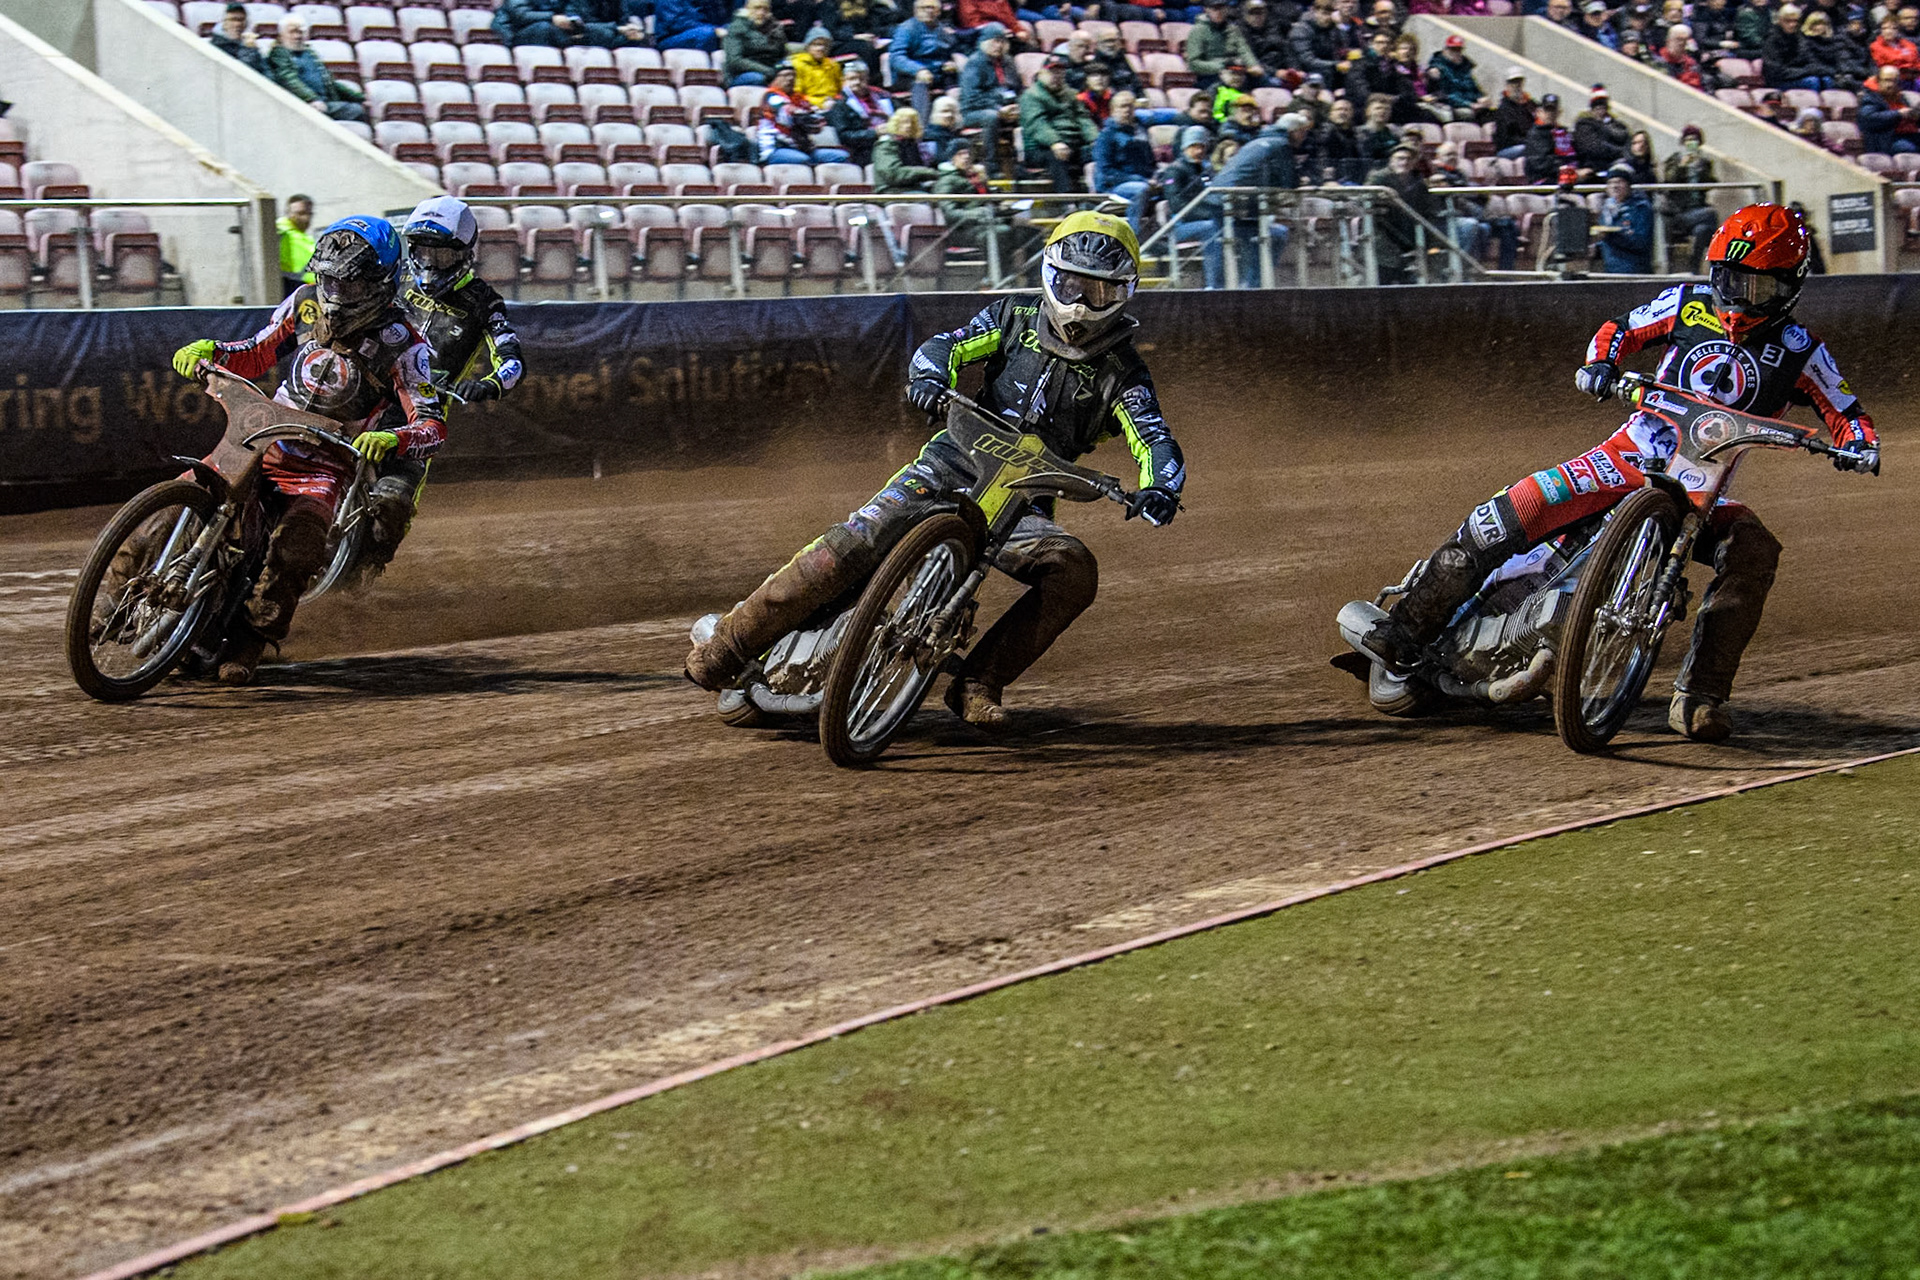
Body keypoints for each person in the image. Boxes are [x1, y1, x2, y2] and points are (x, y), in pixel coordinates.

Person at [1354, 204, 1879, 741]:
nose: (1739, 296)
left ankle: (1700, 694)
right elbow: (1619, 329)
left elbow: (1846, 410)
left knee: (1754, 548)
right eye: (1729, 279)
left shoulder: (1801, 350)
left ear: (1789, 286)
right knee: (1517, 507)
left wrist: (1858, 445)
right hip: (1625, 455)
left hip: (1704, 487)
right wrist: (1601, 364)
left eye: (1757, 287)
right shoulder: (1686, 303)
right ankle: (1406, 629)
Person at [684, 212, 1185, 727]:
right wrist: (929, 375)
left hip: (1020, 506)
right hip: (947, 467)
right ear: (1049, 275)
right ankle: (726, 646)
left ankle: (979, 682)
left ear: (1125, 293)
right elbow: (947, 343)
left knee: (1074, 571)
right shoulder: (1013, 317)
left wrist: (1161, 487)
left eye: (1098, 293)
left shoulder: (1124, 374)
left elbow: (1153, 437)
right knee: (848, 546)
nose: (1081, 304)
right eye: (1072, 285)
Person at [167, 217, 444, 685]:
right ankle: (113, 596)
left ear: (380, 284)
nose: (335, 293)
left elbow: (432, 425)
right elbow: (256, 352)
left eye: (349, 283)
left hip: (328, 459)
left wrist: (393, 438)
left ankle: (252, 641)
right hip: (267, 433)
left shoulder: (405, 343)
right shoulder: (305, 303)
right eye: (329, 279)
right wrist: (210, 351)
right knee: (185, 493)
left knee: (298, 543)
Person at [370, 197, 524, 580]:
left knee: (394, 505)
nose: (428, 262)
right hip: (361, 396)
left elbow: (513, 360)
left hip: (417, 418)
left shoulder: (484, 302)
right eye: (422, 251)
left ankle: (363, 575)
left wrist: (489, 385)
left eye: (441, 255)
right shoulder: (394, 281)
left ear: (463, 255)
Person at [1209, 127, 1296, 286]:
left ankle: (1252, 285)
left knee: (1275, 234)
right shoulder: (1280, 144)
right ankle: (1217, 288)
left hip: (1240, 209)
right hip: (1225, 206)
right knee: (1220, 241)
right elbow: (1290, 181)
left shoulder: (1254, 148)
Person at [1431, 140, 1517, 268]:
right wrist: (1476, 197)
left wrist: (1486, 190)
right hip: (1451, 219)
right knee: (1482, 228)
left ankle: (1507, 270)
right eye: (1448, 154)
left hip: (1472, 214)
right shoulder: (1437, 176)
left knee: (1509, 226)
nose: (1453, 158)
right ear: (1438, 158)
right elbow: (1457, 199)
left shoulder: (1460, 175)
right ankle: (1466, 268)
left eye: (1455, 154)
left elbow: (1479, 200)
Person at [1020, 53, 1098, 191]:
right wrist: (1054, 142)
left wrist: (1094, 139)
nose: (1056, 76)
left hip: (1073, 143)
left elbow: (1083, 118)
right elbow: (1037, 124)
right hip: (1041, 148)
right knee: (1057, 157)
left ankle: (1102, 193)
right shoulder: (1031, 96)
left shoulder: (1071, 94)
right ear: (1041, 72)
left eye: (1060, 72)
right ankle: (1067, 201)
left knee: (1101, 152)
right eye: (1052, 72)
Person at [267, 20, 367, 123]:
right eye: (292, 32)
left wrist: (360, 98)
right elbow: (289, 80)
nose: (297, 36)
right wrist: (312, 99)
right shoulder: (279, 54)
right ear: (282, 35)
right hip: (302, 104)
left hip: (324, 102)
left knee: (359, 108)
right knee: (355, 110)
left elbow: (330, 83)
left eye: (300, 32)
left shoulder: (309, 52)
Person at [1157, 125, 1224, 282]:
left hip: (1210, 218)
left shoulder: (1207, 170)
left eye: (1202, 146)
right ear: (1185, 147)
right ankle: (1213, 285)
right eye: (1194, 146)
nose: (1199, 151)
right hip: (1181, 224)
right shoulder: (1174, 171)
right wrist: (1210, 214)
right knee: (1212, 228)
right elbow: (1176, 204)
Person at [960, 23, 1024, 177]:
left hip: (1007, 107)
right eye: (994, 41)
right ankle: (992, 166)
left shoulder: (1008, 61)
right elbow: (971, 97)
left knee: (1032, 111)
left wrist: (1018, 105)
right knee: (991, 117)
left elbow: (1017, 89)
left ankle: (1024, 164)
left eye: (1002, 41)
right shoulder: (975, 63)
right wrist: (998, 108)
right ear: (983, 42)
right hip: (974, 111)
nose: (998, 45)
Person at [756, 61, 852, 162]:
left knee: (841, 156)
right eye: (785, 75)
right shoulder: (771, 96)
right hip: (776, 148)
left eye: (793, 75)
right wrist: (808, 117)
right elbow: (791, 113)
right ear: (774, 79)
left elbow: (816, 118)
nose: (790, 79)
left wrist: (823, 115)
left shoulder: (799, 99)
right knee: (802, 160)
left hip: (802, 148)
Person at [1094, 91, 1160, 231]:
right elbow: (1106, 171)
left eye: (1130, 106)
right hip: (1114, 187)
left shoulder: (1141, 132)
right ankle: (1134, 238)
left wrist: (1156, 177)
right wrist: (1140, 179)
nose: (1127, 110)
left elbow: (1152, 163)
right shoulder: (1106, 136)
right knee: (1140, 190)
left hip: (1145, 181)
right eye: (1122, 106)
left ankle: (1164, 237)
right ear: (1113, 110)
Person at [1367, 142, 1432, 283]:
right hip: (1384, 229)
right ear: (1391, 160)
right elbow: (1367, 199)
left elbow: (1428, 207)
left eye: (1408, 159)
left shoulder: (1418, 182)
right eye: (1400, 158)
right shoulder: (1379, 178)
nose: (1404, 162)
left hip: (1411, 230)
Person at [1660, 124, 1719, 271]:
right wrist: (1682, 166)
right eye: (1688, 139)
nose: (1691, 142)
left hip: (1698, 211)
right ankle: (1718, 259)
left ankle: (1694, 268)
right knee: (1711, 214)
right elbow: (1669, 181)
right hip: (1679, 212)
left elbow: (1710, 184)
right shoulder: (1674, 160)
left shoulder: (1704, 162)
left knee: (1703, 230)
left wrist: (1701, 170)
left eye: (1694, 140)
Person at [890, 0, 960, 117]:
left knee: (957, 81)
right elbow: (896, 57)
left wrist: (951, 63)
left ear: (938, 11)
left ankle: (956, 122)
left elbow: (951, 50)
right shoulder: (906, 28)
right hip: (910, 74)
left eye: (932, 8)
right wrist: (918, 70)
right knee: (921, 83)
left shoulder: (943, 29)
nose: (928, 11)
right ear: (916, 11)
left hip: (939, 72)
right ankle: (922, 126)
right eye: (924, 8)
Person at [492, 0, 649, 46]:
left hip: (554, 28)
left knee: (639, 38)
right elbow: (520, 15)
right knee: (547, 29)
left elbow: (575, 16)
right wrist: (552, 17)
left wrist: (626, 29)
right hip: (514, 32)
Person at [827, 61, 893, 165]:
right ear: (844, 81)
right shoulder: (839, 103)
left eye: (861, 79)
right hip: (863, 148)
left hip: (893, 137)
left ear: (867, 79)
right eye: (852, 79)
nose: (857, 82)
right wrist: (875, 133)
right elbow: (845, 136)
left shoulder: (883, 96)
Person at [1188, 0, 1266, 87]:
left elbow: (1244, 50)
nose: (1219, 12)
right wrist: (1221, 67)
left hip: (1236, 70)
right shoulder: (1198, 30)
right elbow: (1193, 63)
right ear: (1206, 10)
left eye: (1222, 8)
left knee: (1267, 82)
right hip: (1211, 74)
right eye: (1215, 9)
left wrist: (1253, 64)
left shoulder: (1233, 29)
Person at [1593, 161, 1651, 273]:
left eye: (1620, 182)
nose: (1615, 186)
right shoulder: (1607, 207)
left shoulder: (1641, 207)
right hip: (1610, 268)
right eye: (1610, 183)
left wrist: (1611, 235)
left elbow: (1641, 242)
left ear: (1629, 185)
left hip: (1635, 269)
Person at [1425, 33, 1488, 122]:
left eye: (1458, 49)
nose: (1455, 52)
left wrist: (1481, 98)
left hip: (1471, 104)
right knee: (1471, 114)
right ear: (1445, 50)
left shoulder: (1465, 67)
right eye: (1452, 49)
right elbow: (1445, 94)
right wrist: (1469, 104)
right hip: (1452, 105)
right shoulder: (1438, 68)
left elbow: (1473, 87)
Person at [873, 107, 940, 190]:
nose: (909, 125)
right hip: (892, 191)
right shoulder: (886, 145)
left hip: (914, 187)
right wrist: (926, 172)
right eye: (904, 122)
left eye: (912, 122)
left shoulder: (913, 145)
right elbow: (893, 174)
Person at [724, 0, 788, 85]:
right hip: (740, 74)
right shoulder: (736, 28)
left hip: (771, 70)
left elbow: (781, 54)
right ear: (747, 9)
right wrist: (768, 71)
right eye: (756, 8)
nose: (761, 13)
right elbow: (735, 60)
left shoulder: (775, 28)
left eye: (765, 9)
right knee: (759, 78)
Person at [1860, 64, 1920, 153]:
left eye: (1894, 81)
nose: (1890, 85)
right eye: (1887, 80)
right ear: (1878, 81)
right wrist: (1898, 114)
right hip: (1886, 139)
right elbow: (1869, 118)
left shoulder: (1900, 97)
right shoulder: (1871, 98)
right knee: (1908, 149)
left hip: (1909, 134)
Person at [1523, 92, 1578, 182]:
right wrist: (1569, 171)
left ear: (1559, 112)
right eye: (1547, 110)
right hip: (1548, 179)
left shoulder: (1565, 132)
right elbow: (1540, 163)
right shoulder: (1535, 134)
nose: (1550, 114)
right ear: (1539, 112)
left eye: (1553, 110)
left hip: (1571, 175)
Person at [209, 3, 267, 75]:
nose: (238, 24)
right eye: (233, 20)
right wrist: (249, 50)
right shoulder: (214, 47)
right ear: (223, 23)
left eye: (241, 20)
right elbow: (241, 73)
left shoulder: (249, 44)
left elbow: (266, 70)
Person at [277, 194, 317, 295]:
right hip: (291, 290)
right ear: (288, 213)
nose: (306, 218)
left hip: (308, 291)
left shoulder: (304, 237)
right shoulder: (282, 233)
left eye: (309, 214)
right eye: (301, 213)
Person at [655, 0, 732, 51]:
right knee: (709, 34)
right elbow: (675, 23)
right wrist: (715, 30)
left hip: (706, 31)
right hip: (673, 37)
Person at [792, 27, 845, 100]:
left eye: (826, 45)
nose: (821, 48)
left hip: (833, 103)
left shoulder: (833, 65)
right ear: (808, 46)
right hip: (809, 105)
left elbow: (840, 89)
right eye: (816, 44)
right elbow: (797, 93)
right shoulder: (797, 64)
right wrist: (820, 103)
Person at [1492, 66, 1533, 158]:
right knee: (1528, 148)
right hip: (1507, 149)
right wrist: (1529, 141)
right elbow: (1505, 139)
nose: (1516, 86)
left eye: (1519, 82)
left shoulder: (1530, 105)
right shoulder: (1503, 109)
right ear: (1507, 85)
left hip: (1527, 144)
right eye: (1513, 82)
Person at [1871, 17, 1920, 81]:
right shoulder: (1875, 46)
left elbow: (1916, 62)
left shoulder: (1909, 45)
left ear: (1899, 31)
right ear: (1880, 31)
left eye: (1893, 28)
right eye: (1884, 28)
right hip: (1892, 79)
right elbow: (1882, 66)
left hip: (1914, 77)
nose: (1889, 31)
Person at [1658, 22, 1704, 87]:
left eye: (1685, 40)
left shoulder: (1690, 63)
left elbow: (1695, 85)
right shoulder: (1659, 58)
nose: (1681, 43)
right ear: (1668, 41)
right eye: (1678, 39)